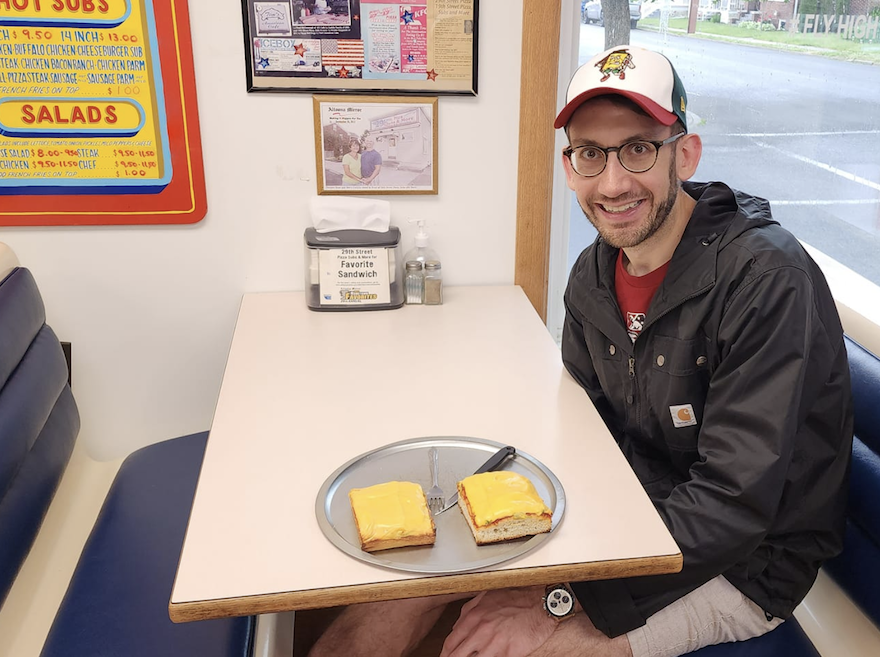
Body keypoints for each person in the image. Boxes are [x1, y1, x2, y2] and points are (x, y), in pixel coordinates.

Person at [307, 45, 852, 657]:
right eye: (591, 154)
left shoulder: (766, 280)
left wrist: (557, 599)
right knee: (395, 594)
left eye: (640, 148)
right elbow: (585, 432)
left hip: (746, 566)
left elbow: (733, 505)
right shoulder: (595, 275)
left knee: (508, 647)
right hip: (631, 517)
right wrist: (527, 543)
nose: (614, 183)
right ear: (570, 167)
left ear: (686, 153)